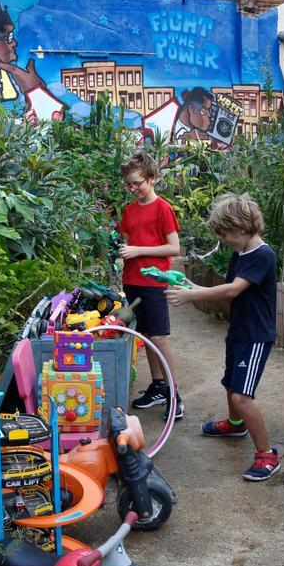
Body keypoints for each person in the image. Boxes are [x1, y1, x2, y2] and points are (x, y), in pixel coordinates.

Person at [166, 194, 279, 481]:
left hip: (255, 337)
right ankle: (235, 424)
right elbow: (228, 286)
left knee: (241, 395)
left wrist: (193, 295)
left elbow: (232, 290)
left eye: (225, 233)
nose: (224, 239)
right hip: (239, 331)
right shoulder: (240, 253)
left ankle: (267, 454)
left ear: (242, 227)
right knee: (230, 384)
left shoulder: (262, 255)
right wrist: (191, 284)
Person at [118, 151, 185, 420]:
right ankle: (158, 386)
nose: (133, 188)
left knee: (159, 337)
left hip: (154, 281)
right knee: (145, 337)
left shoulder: (163, 208)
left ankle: (174, 394)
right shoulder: (130, 210)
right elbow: (126, 238)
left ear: (153, 178)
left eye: (138, 183)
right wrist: (122, 249)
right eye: (128, 184)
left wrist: (136, 250)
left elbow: (174, 247)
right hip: (132, 280)